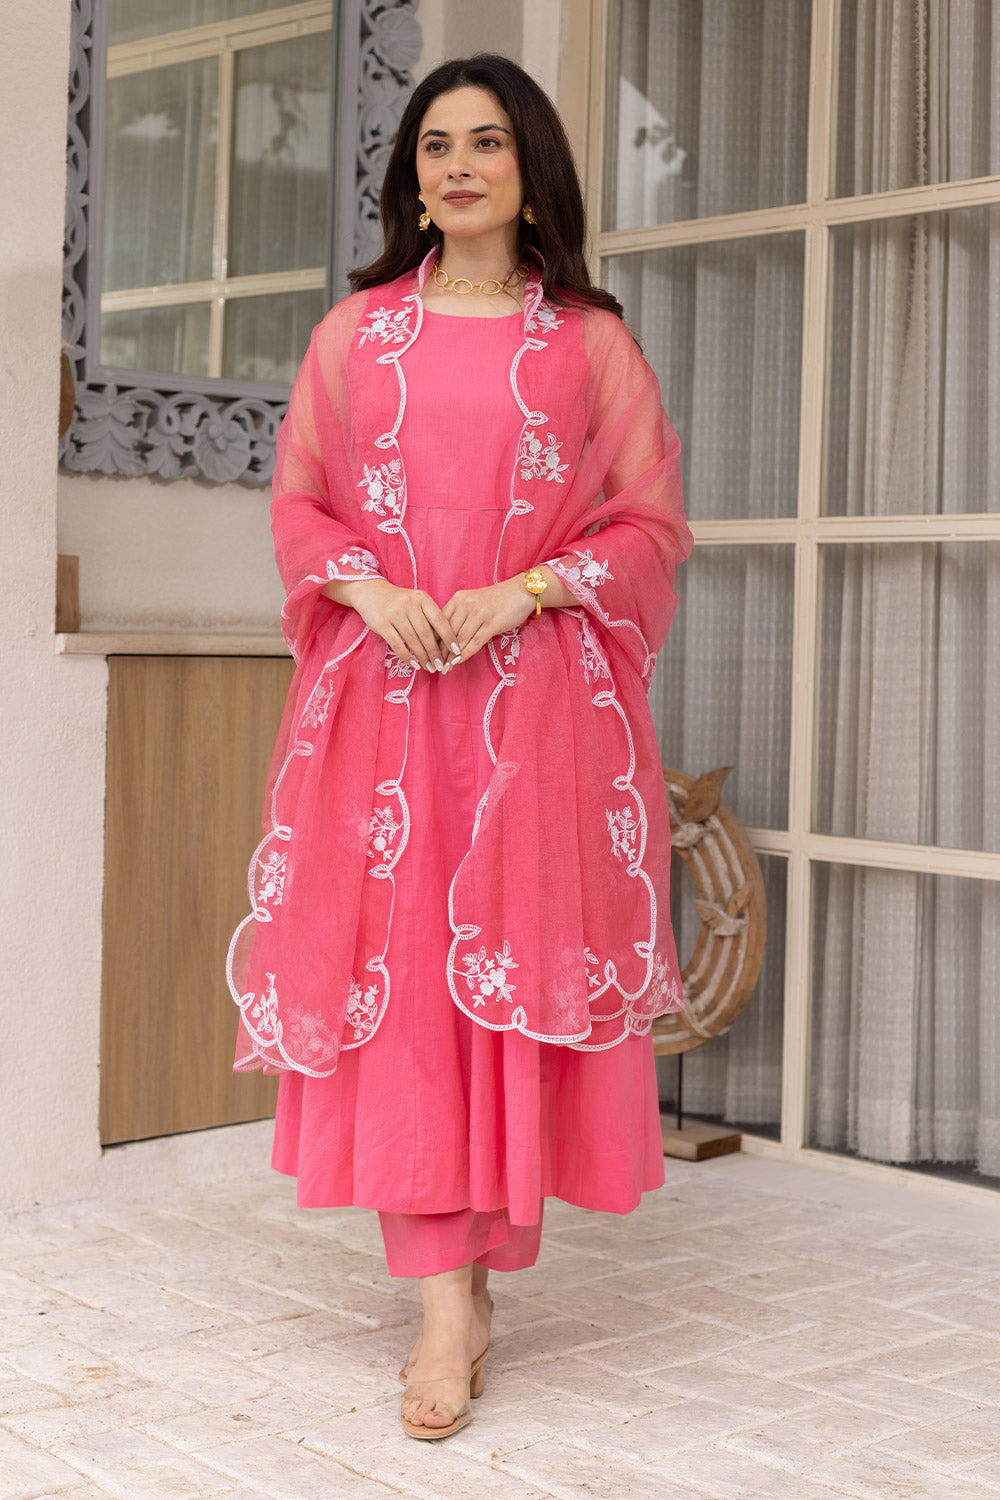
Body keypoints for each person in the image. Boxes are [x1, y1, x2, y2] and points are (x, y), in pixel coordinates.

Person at [227, 53, 692, 1441]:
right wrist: (365, 586)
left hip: (532, 711)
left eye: (488, 142)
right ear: (410, 177)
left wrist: (523, 591)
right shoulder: (354, 337)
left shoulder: (589, 344)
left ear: (530, 166)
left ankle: (478, 1273)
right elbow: (303, 502)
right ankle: (442, 1300)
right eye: (436, 145)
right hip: (384, 708)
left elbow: (648, 526)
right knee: (405, 987)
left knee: (495, 984)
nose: (460, 165)